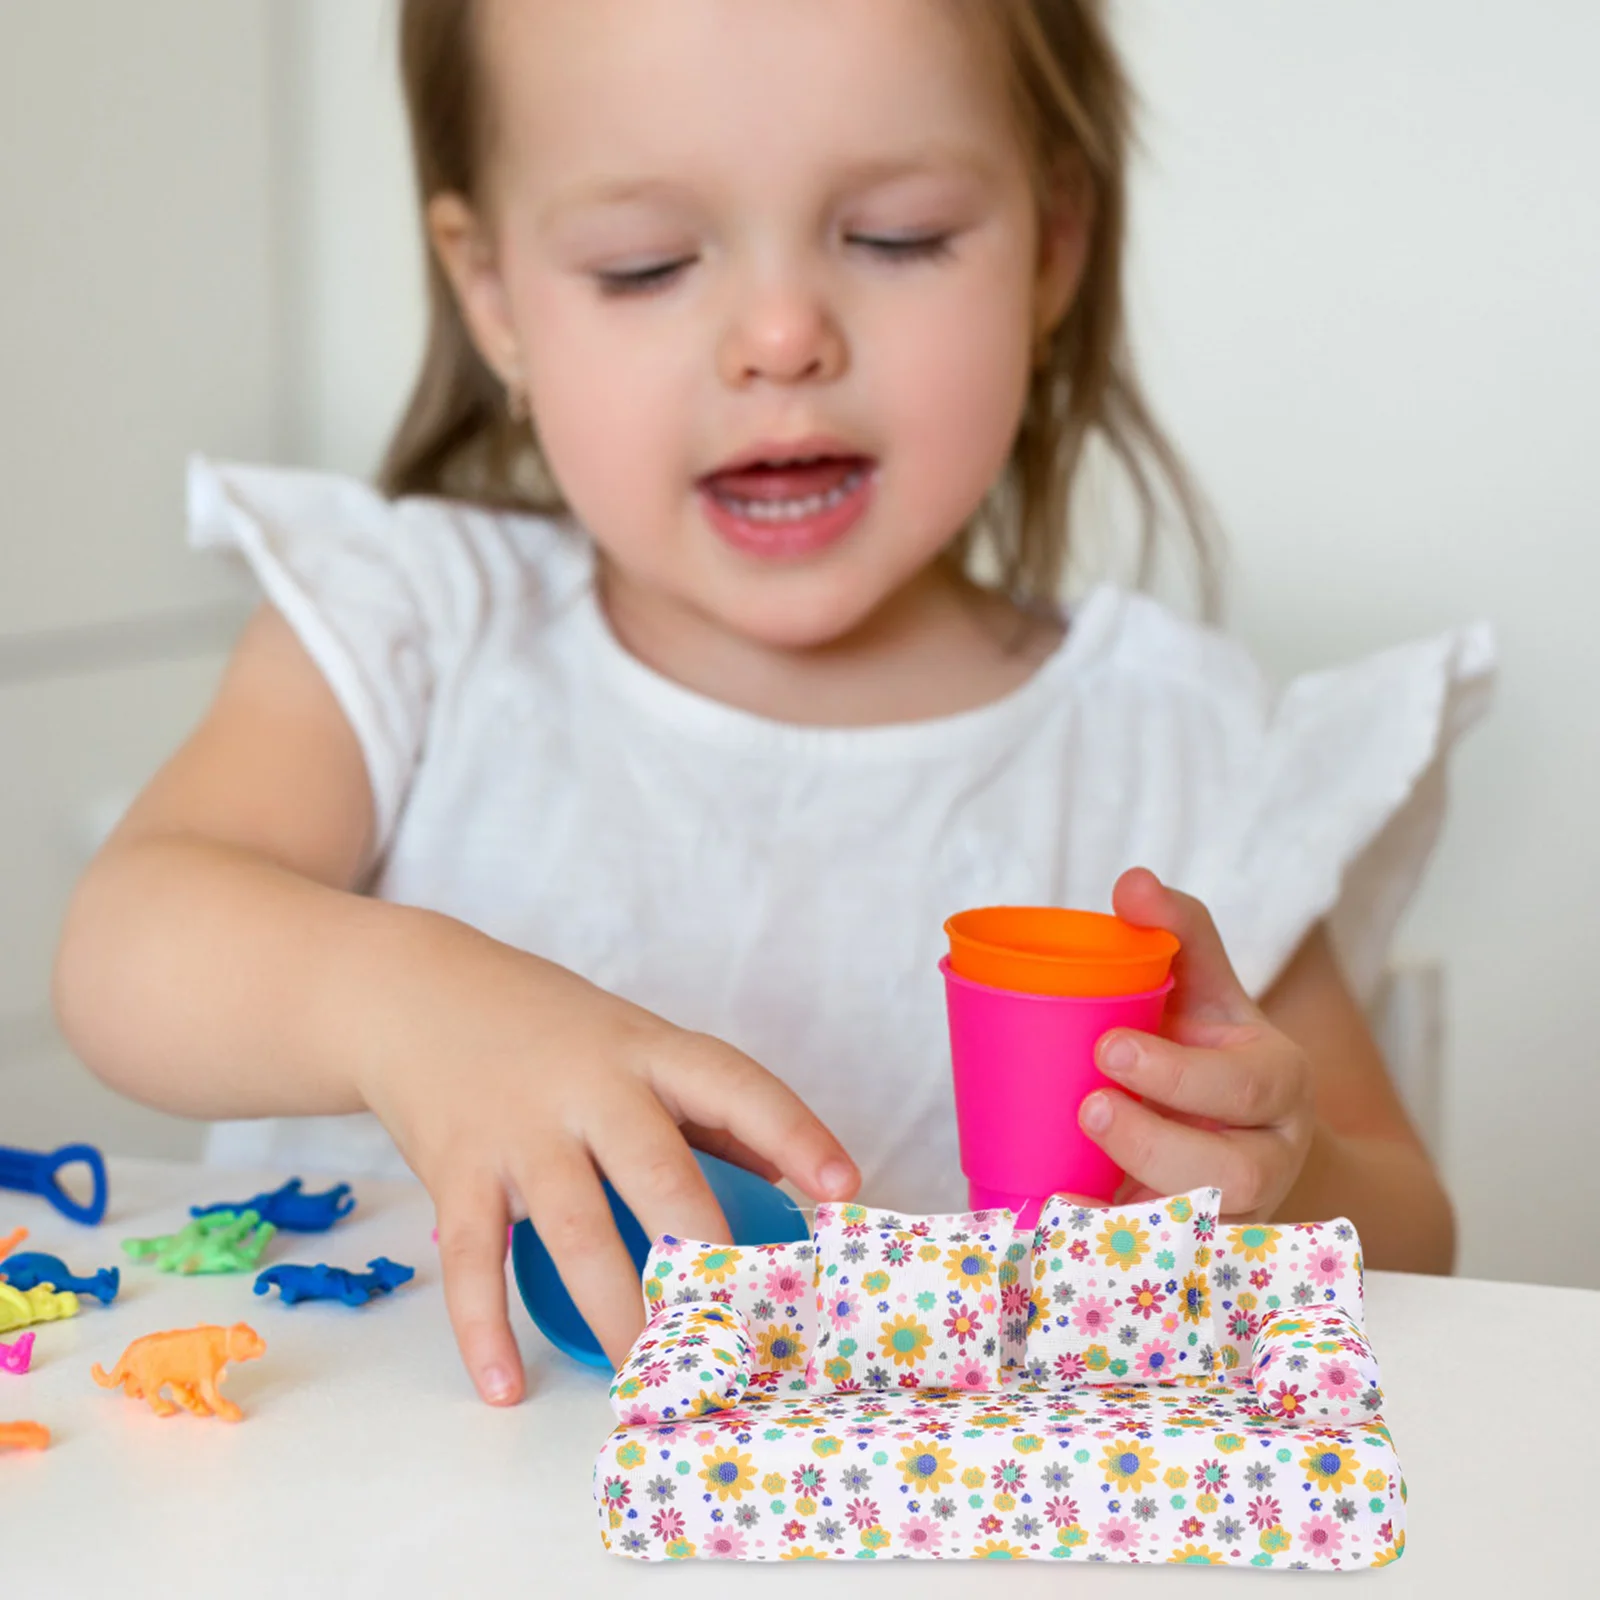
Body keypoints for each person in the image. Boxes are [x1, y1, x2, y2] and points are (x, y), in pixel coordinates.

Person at [52, 0, 1492, 1407]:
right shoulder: (412, 629)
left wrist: (1276, 1179)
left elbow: (1414, 1230)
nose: (783, 335)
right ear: (492, 290)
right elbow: (129, 946)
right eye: (645, 262)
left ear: (1053, 244)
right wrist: (408, 1001)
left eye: (897, 236)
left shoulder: (1178, 743)